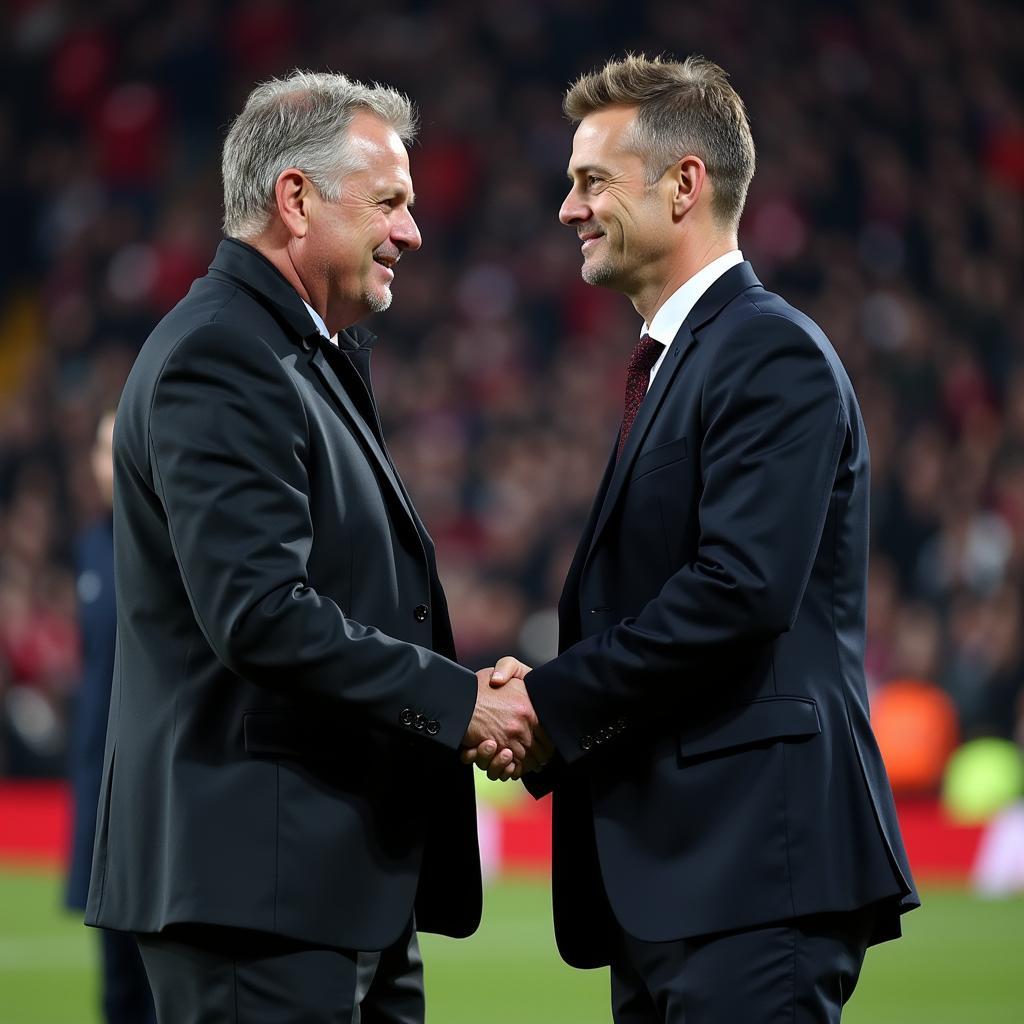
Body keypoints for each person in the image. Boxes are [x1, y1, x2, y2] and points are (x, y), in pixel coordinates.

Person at [467, 54, 919, 1022]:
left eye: (590, 180)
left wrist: (543, 704)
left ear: (684, 186)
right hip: (683, 885)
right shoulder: (684, 362)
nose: (567, 208)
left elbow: (738, 591)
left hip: (752, 873)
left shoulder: (768, 351)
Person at [85, 70, 543, 1023]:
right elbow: (260, 615)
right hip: (260, 893)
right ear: (294, 199)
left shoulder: (297, 351)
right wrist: (461, 702)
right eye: (389, 202)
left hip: (330, 886)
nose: (412, 232)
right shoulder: (225, 354)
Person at [65, 410, 156, 1024]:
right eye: (100, 448)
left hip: (151, 782)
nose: (108, 461)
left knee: (161, 977)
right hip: (96, 775)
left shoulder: (169, 541)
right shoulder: (89, 548)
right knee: (116, 985)